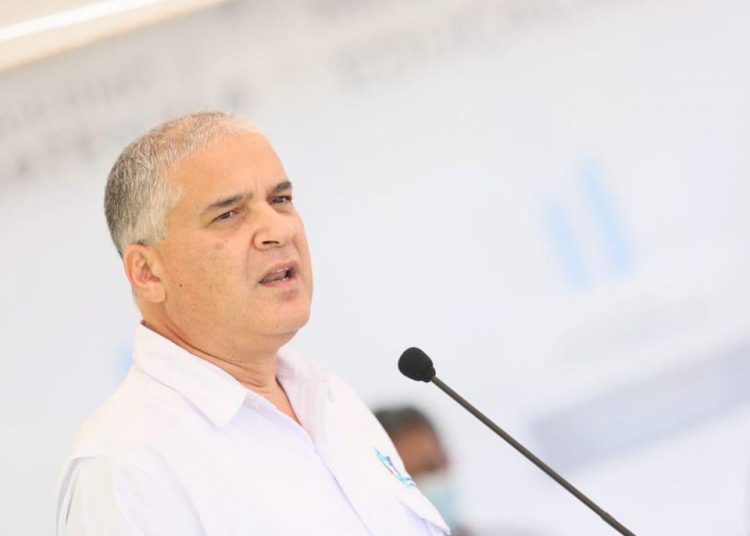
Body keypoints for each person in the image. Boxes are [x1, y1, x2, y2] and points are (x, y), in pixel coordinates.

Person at [56, 112, 448, 535]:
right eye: (228, 214)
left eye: (281, 199)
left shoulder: (331, 399)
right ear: (148, 273)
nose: (278, 230)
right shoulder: (126, 467)